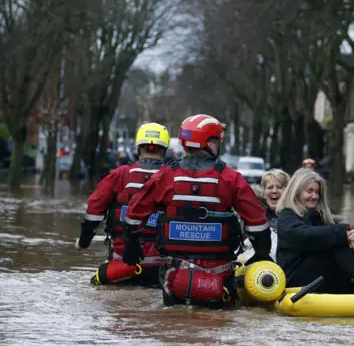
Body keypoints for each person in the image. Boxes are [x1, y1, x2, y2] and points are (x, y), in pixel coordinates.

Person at [121, 114, 271, 308]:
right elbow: (258, 224)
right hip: (219, 274)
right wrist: (261, 255)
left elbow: (134, 215)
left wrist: (131, 247)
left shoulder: (166, 176)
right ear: (208, 142)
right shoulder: (230, 178)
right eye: (217, 140)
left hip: (174, 275)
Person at [75, 122, 172, 287]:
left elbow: (94, 209)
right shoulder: (174, 179)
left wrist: (83, 242)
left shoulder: (120, 175)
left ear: (138, 147)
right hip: (162, 271)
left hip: (121, 267)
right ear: (164, 149)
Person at [276, 168, 354, 294]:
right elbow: (305, 236)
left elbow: (336, 229)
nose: (315, 196)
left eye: (317, 192)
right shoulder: (286, 216)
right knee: (336, 239)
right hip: (295, 278)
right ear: (296, 192)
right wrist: (343, 234)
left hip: (322, 275)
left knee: (348, 239)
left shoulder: (318, 215)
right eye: (309, 191)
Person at [259, 169, 290, 260]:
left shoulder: (297, 216)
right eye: (270, 187)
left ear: (288, 192)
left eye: (280, 187)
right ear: (264, 193)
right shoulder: (255, 217)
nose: (274, 191)